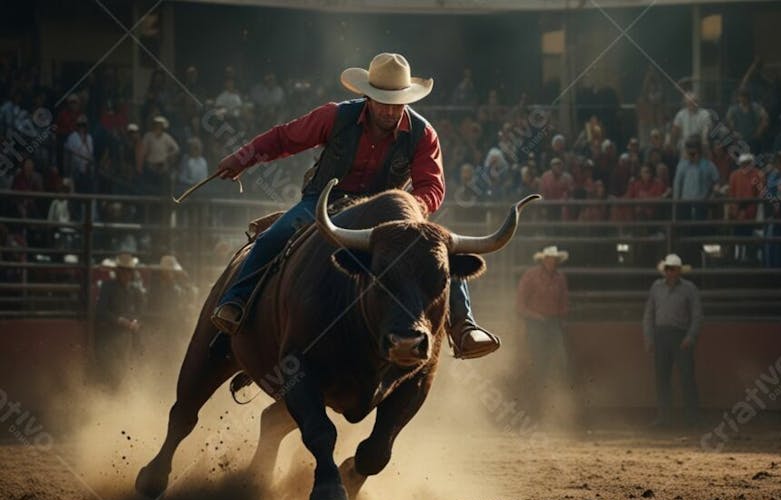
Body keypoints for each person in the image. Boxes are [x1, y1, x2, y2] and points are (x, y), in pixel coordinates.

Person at [209, 52, 498, 359]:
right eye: (382, 101)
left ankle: (464, 326)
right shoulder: (335, 117)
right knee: (274, 237)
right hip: (325, 203)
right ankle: (236, 301)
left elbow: (432, 187)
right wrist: (243, 158)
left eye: (397, 102)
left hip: (387, 214)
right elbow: (284, 139)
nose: (390, 110)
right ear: (367, 97)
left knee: (439, 250)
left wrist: (406, 207)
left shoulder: (422, 133)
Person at [643, 254, 703, 428]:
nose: (669, 272)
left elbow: (697, 315)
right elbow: (648, 314)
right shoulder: (656, 287)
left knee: (687, 378)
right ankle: (664, 417)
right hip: (662, 335)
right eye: (667, 269)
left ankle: (692, 417)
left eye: (672, 269)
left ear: (678, 271)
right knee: (662, 378)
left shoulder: (689, 289)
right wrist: (649, 338)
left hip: (679, 335)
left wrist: (690, 337)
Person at [516, 246, 570, 415]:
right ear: (543, 260)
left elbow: (564, 303)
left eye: (554, 259)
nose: (551, 262)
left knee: (561, 361)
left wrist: (559, 315)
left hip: (552, 323)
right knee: (540, 362)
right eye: (549, 259)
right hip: (536, 324)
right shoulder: (531, 276)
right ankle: (538, 405)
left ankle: (554, 401)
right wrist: (535, 316)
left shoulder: (560, 278)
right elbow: (520, 305)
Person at [94, 252, 146, 389]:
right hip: (110, 337)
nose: (126, 274)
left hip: (126, 337)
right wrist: (119, 320)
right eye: (123, 271)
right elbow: (100, 311)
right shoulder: (108, 287)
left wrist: (136, 321)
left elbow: (141, 310)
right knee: (113, 372)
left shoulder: (134, 289)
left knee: (124, 370)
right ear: (118, 271)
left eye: (128, 271)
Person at [728, 153, 763, 262]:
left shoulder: (757, 175)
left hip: (752, 212)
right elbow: (731, 195)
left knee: (750, 236)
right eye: (743, 163)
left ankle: (750, 257)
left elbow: (760, 194)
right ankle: (737, 257)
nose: (745, 165)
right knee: (738, 235)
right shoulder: (734, 176)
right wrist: (736, 212)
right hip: (738, 213)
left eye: (747, 163)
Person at [673, 139, 719, 222]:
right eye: (689, 153)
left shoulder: (708, 165)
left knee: (700, 228)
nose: (691, 156)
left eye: (693, 153)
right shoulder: (682, 165)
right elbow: (677, 184)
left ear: (699, 152)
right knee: (686, 228)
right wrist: (676, 202)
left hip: (702, 202)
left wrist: (713, 194)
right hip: (685, 203)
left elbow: (716, 182)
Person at [137, 116, 179, 196]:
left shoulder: (166, 137)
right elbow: (142, 151)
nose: (158, 126)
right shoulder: (148, 136)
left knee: (162, 189)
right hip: (150, 166)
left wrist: (167, 155)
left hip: (162, 167)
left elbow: (176, 149)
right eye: (157, 124)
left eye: (160, 125)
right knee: (150, 189)